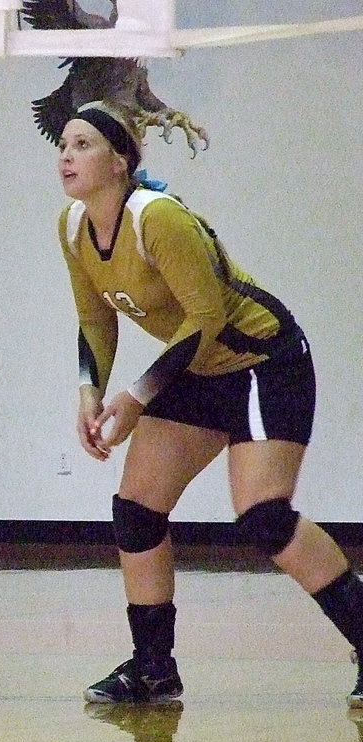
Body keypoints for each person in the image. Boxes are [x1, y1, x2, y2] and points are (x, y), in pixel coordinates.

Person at [55, 101, 363, 705]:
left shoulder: (158, 218)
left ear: (120, 161)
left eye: (83, 144)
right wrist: (89, 392)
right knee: (137, 509)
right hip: (194, 365)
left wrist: (137, 396)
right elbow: (95, 318)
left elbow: (208, 317)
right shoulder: (71, 227)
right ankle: (153, 668)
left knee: (263, 517)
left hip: (261, 360)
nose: (66, 155)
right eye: (63, 144)